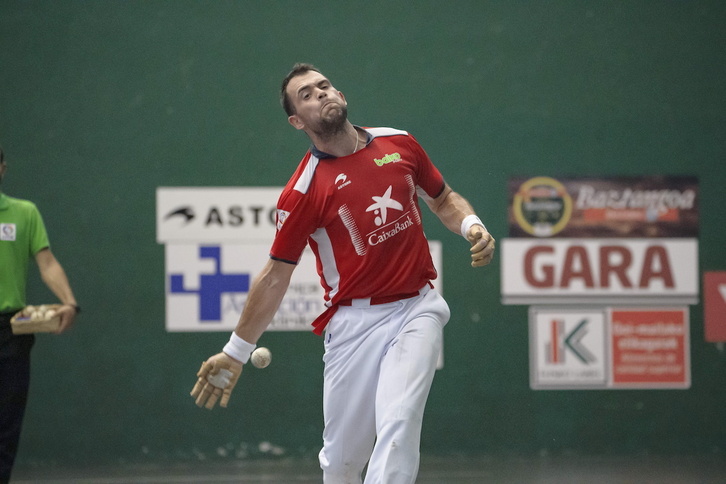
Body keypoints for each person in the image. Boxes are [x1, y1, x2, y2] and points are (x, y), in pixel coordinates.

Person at [191, 63, 495, 483]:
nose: (321, 93)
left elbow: (443, 199)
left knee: (399, 422)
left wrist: (471, 225)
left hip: (417, 308)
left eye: (324, 85)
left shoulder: (400, 143)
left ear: (342, 95)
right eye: (306, 95)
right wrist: (235, 350)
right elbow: (276, 276)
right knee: (341, 464)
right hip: (353, 325)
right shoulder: (304, 191)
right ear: (297, 122)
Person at [0, 147, 80, 484]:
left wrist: (69, 302)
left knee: (6, 424)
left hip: (9, 331)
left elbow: (46, 263)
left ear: (3, 169)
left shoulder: (24, 213)